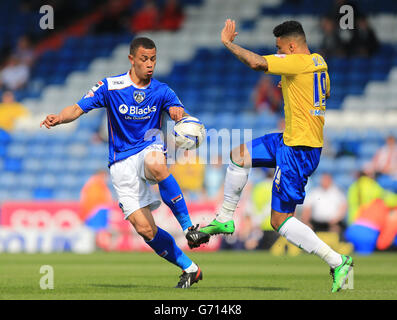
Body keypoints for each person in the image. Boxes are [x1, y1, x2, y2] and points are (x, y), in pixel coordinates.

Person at [40, 37, 210, 288]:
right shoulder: (110, 86)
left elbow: (180, 113)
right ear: (132, 59)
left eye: (153, 59)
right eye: (144, 59)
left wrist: (178, 114)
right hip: (121, 164)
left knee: (156, 163)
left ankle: (188, 227)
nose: (149, 64)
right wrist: (59, 118)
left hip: (149, 148)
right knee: (145, 230)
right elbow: (77, 108)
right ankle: (191, 268)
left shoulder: (163, 90)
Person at [200, 19, 353, 292]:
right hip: (288, 140)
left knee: (278, 221)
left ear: (292, 47)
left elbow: (258, 63)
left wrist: (228, 43)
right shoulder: (319, 61)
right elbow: (325, 90)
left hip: (299, 149)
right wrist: (297, 90)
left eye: (280, 48)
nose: (278, 52)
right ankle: (224, 217)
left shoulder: (295, 62)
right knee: (239, 155)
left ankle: (337, 260)